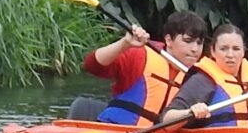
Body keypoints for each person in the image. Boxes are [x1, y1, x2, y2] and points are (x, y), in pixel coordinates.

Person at [81, 10, 209, 126]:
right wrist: (124, 44)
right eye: (187, 41)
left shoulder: (199, 77)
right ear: (169, 41)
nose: (195, 49)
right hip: (115, 130)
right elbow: (92, 65)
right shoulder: (140, 55)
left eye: (199, 43)